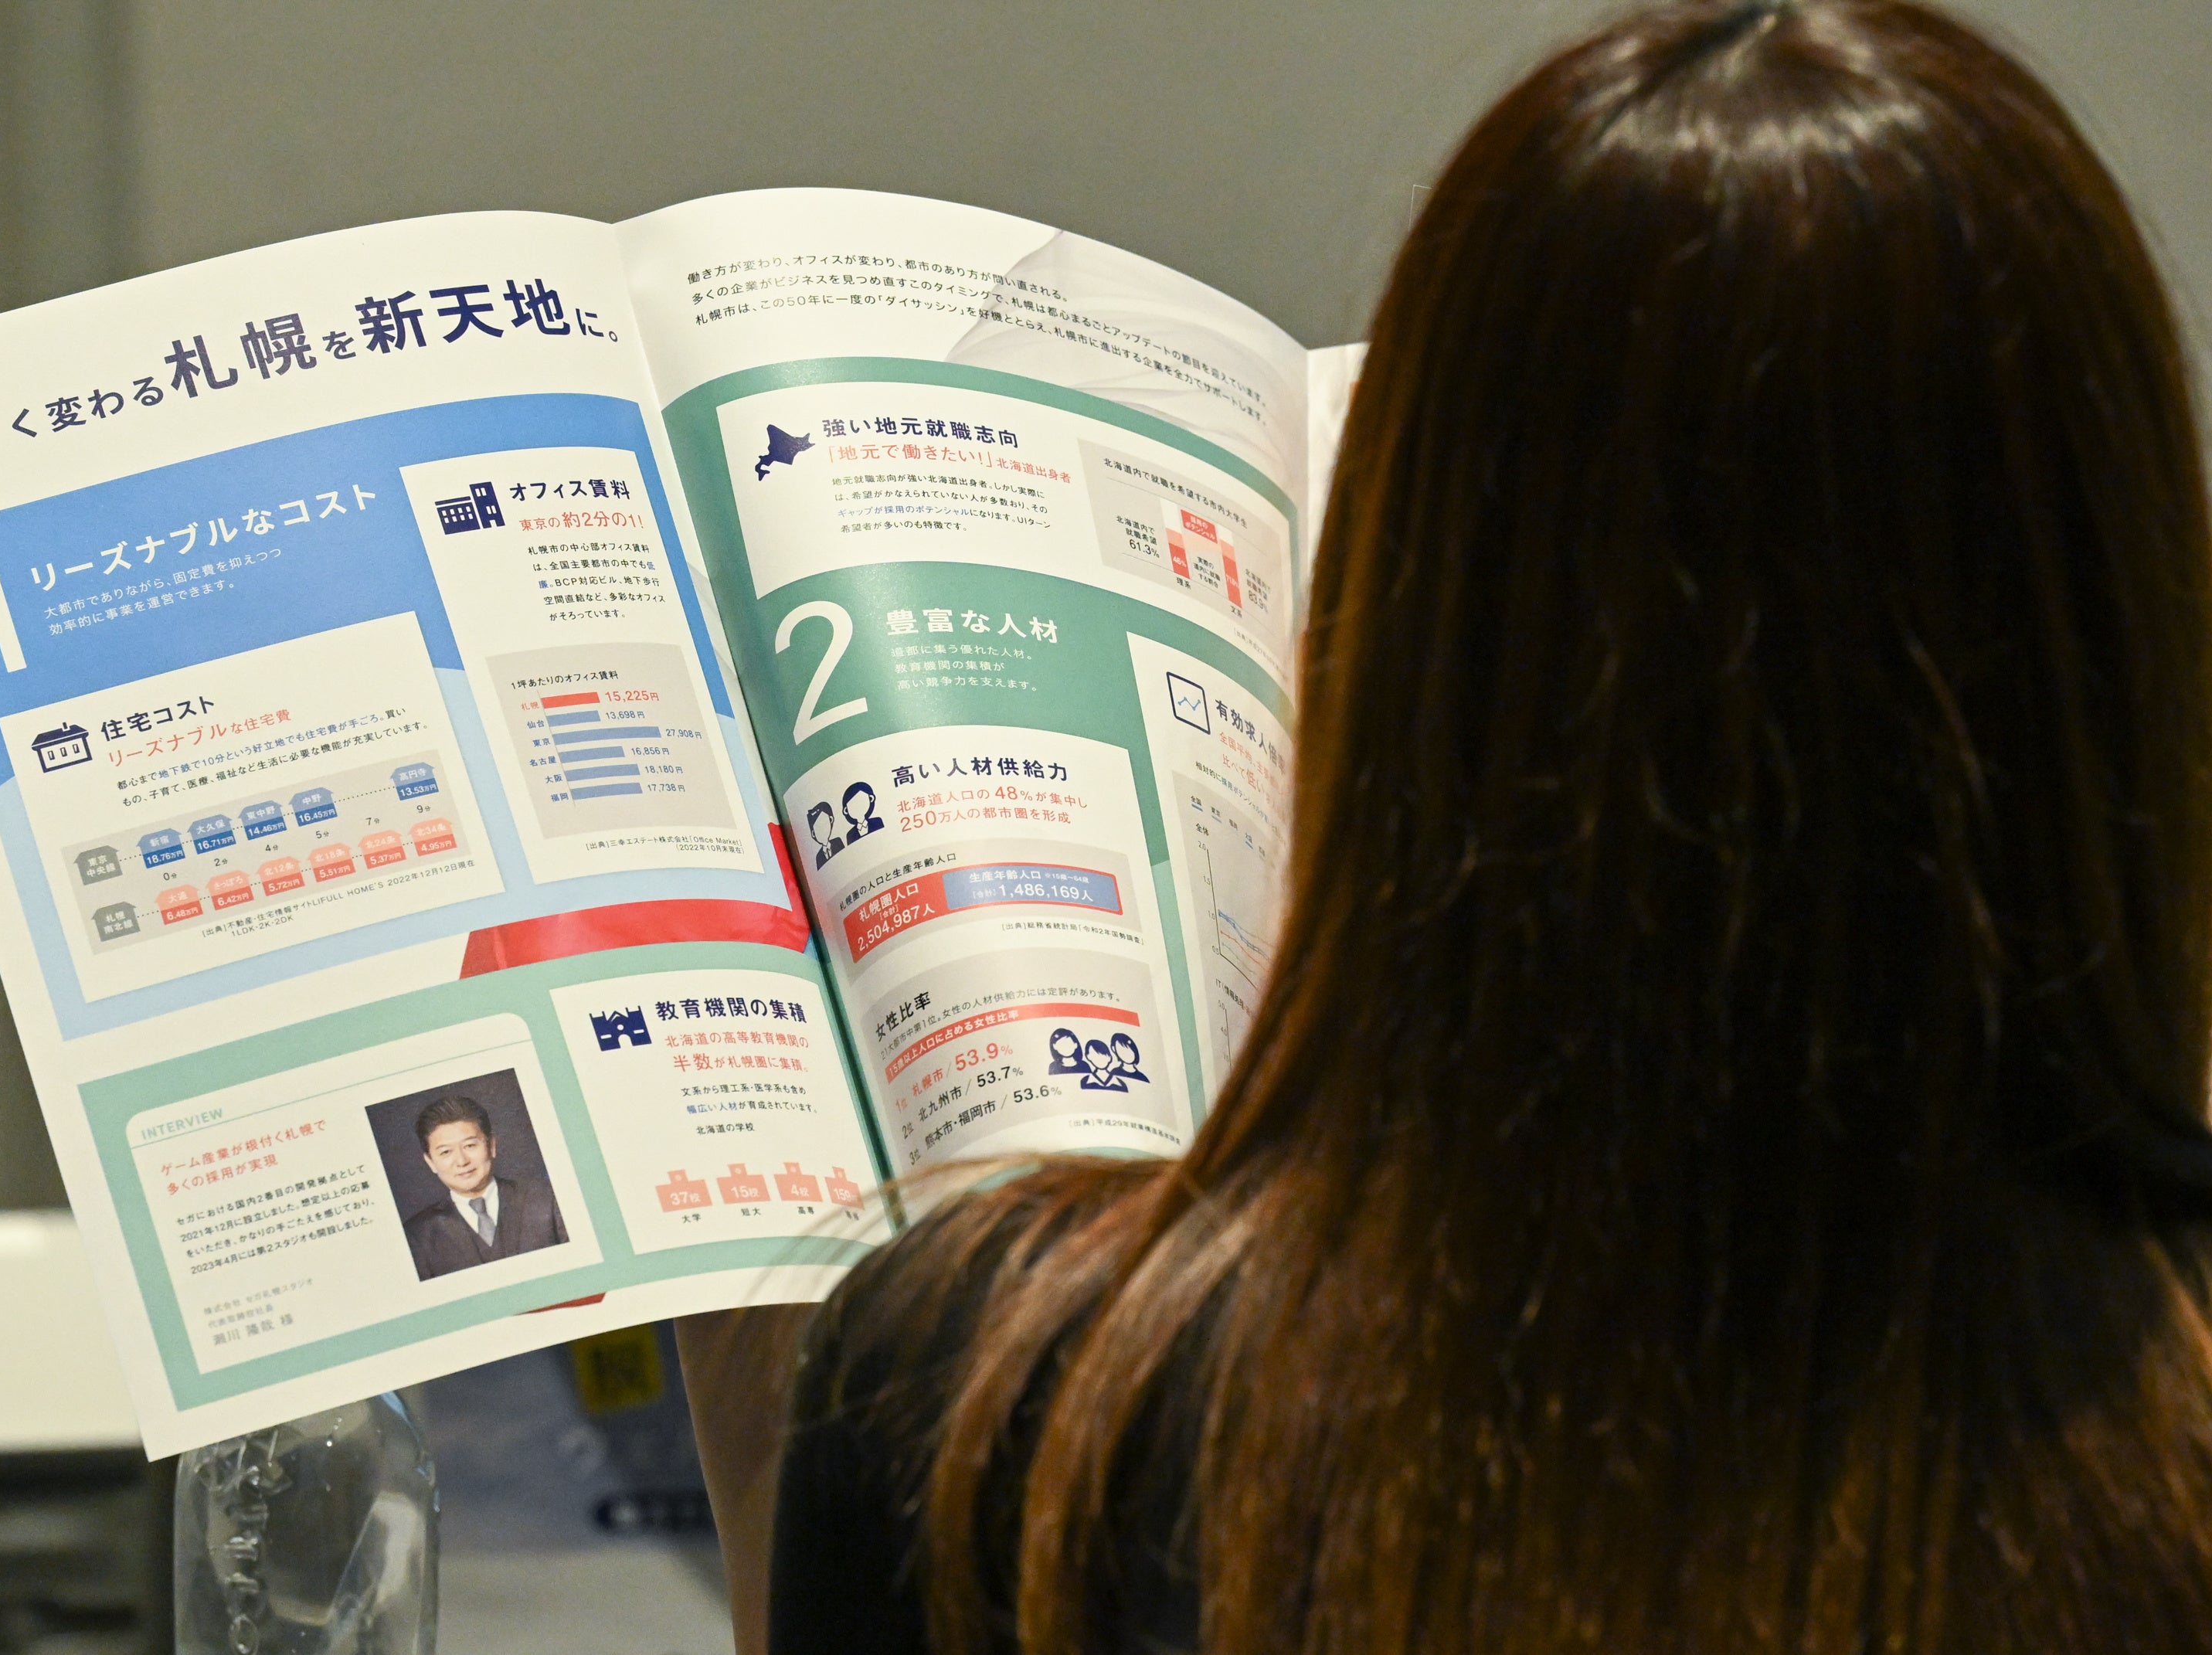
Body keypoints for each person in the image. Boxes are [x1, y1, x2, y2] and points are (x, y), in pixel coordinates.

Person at [680, 2, 2212, 1650]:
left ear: (1406, 620)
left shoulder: (1015, 1395)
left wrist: (772, 1417)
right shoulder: (2155, 1409)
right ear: (2119, 619)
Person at [399, 1093, 566, 1280]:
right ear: (430, 1162)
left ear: (491, 1146)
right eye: (446, 1152)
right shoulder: (417, 1236)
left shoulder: (547, 1198)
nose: (462, 1161)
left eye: (470, 1146)